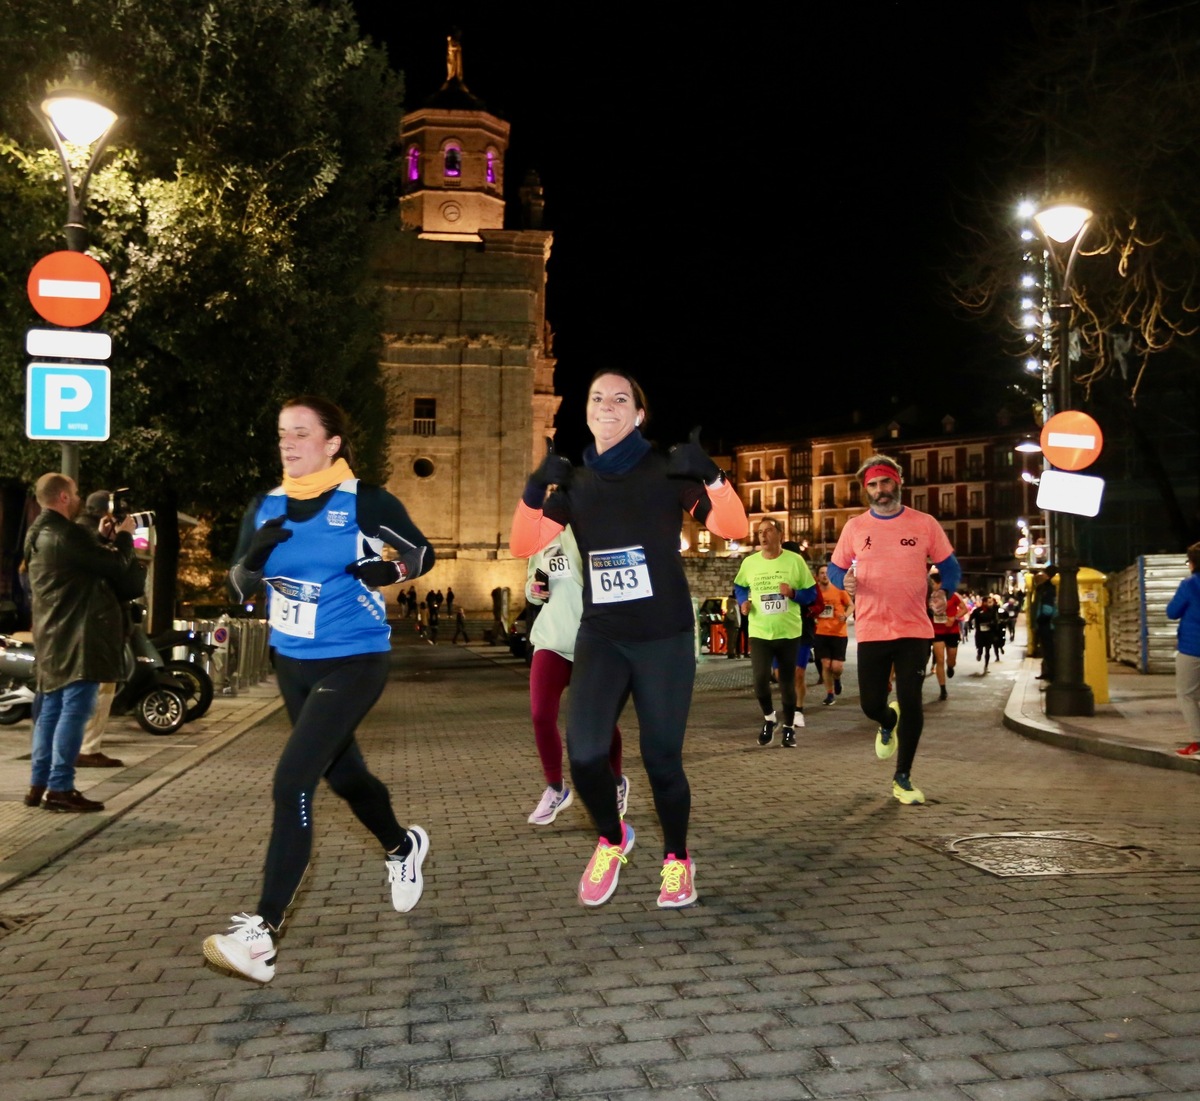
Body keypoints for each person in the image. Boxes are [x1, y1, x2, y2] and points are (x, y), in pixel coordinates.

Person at [202, 396, 435, 983]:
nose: (288, 443)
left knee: (293, 780)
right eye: (282, 433)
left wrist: (391, 571)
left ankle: (262, 933)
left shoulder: (364, 500)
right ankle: (402, 846)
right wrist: (252, 559)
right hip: (292, 659)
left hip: (355, 657)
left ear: (332, 443)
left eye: (301, 433)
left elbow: (421, 552)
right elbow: (237, 584)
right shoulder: (266, 505)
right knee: (345, 774)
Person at [511, 370, 747, 908]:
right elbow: (523, 541)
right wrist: (533, 488)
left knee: (662, 761)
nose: (608, 405)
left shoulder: (665, 469)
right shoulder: (575, 482)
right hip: (603, 635)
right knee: (587, 755)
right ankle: (613, 838)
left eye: (621, 398)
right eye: (598, 398)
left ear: (639, 414)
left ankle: (677, 859)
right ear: (588, 412)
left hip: (663, 637)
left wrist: (711, 476)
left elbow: (733, 528)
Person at [828, 454, 959, 805]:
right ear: (865, 489)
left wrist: (943, 591)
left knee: (912, 701)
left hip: (914, 629)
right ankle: (887, 721)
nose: (880, 490)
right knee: (871, 704)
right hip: (871, 628)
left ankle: (903, 777)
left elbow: (950, 567)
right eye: (872, 485)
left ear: (898, 482)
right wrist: (846, 581)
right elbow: (835, 570)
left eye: (885, 482)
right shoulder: (855, 527)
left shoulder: (924, 524)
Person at [24, 474, 144, 812]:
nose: (77, 499)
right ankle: (61, 788)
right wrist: (124, 537)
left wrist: (100, 537)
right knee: (74, 713)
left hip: (52, 634)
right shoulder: (65, 533)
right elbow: (118, 567)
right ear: (63, 496)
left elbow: (79, 563)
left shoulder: (38, 533)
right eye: (75, 493)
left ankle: (39, 783)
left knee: (49, 711)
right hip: (78, 637)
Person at [524, 524, 627, 825]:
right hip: (551, 641)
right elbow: (532, 589)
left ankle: (616, 781)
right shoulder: (540, 537)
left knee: (600, 721)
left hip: (591, 641)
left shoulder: (593, 528)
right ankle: (556, 789)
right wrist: (534, 589)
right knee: (541, 715)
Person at [734, 521, 816, 748]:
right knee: (760, 681)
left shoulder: (795, 561)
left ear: (780, 534)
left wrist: (793, 593)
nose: (763, 536)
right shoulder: (750, 562)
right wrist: (743, 603)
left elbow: (811, 594)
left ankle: (789, 728)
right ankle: (770, 719)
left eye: (768, 530)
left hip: (788, 631)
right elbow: (739, 586)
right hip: (760, 630)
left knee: (786, 682)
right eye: (759, 532)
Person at [74, 489, 135, 769]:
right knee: (98, 690)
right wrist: (123, 537)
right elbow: (116, 568)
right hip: (95, 625)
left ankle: (85, 747)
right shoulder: (84, 535)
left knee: (96, 689)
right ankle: (87, 748)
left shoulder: (86, 534)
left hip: (95, 623)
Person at [1167, 541, 1200, 756]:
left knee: (1187, 695)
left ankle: (1198, 742)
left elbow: (1172, 611)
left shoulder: (1189, 584)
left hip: (1193, 648)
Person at [813, 564, 853, 706]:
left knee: (836, 667)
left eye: (826, 572)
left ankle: (837, 679)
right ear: (817, 576)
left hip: (838, 633)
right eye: (821, 573)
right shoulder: (815, 593)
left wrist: (846, 615)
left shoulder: (839, 591)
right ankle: (830, 694)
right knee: (825, 664)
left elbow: (851, 605)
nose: (824, 575)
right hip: (821, 633)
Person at [928, 569, 967, 700]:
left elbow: (964, 609)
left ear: (939, 583)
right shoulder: (928, 597)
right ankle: (943, 689)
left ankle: (950, 666)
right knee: (939, 659)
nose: (930, 585)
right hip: (936, 631)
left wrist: (954, 618)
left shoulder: (952, 595)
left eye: (932, 583)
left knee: (951, 658)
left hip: (952, 631)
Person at [1033, 568, 1057, 681]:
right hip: (1048, 625)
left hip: (1047, 625)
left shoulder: (1047, 589)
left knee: (1049, 650)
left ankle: (1052, 675)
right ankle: (1049, 673)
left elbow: (1047, 610)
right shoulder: (1047, 588)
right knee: (1047, 651)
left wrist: (1039, 621)